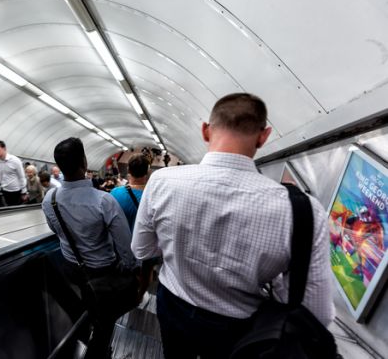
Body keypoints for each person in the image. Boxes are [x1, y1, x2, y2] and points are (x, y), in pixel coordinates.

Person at [131, 93, 334, 359]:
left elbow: (142, 250)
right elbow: (316, 311)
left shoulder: (162, 182)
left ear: (205, 131)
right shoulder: (302, 210)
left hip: (174, 307)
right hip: (242, 329)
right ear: (264, 137)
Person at [42, 137, 135, 359]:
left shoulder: (50, 198)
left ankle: (89, 325)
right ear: (84, 162)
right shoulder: (104, 201)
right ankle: (99, 348)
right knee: (104, 318)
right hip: (102, 272)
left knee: (88, 302)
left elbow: (56, 231)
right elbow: (125, 246)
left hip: (71, 267)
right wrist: (131, 267)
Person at [110, 154, 150, 232]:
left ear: (128, 170)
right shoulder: (153, 196)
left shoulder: (114, 193)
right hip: (142, 243)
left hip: (120, 242)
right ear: (148, 172)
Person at [0, 140, 27, 206]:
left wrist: (24, 192)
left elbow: (22, 177)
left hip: (16, 191)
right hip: (5, 191)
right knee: (8, 210)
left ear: (4, 149)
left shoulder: (15, 160)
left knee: (16, 211)